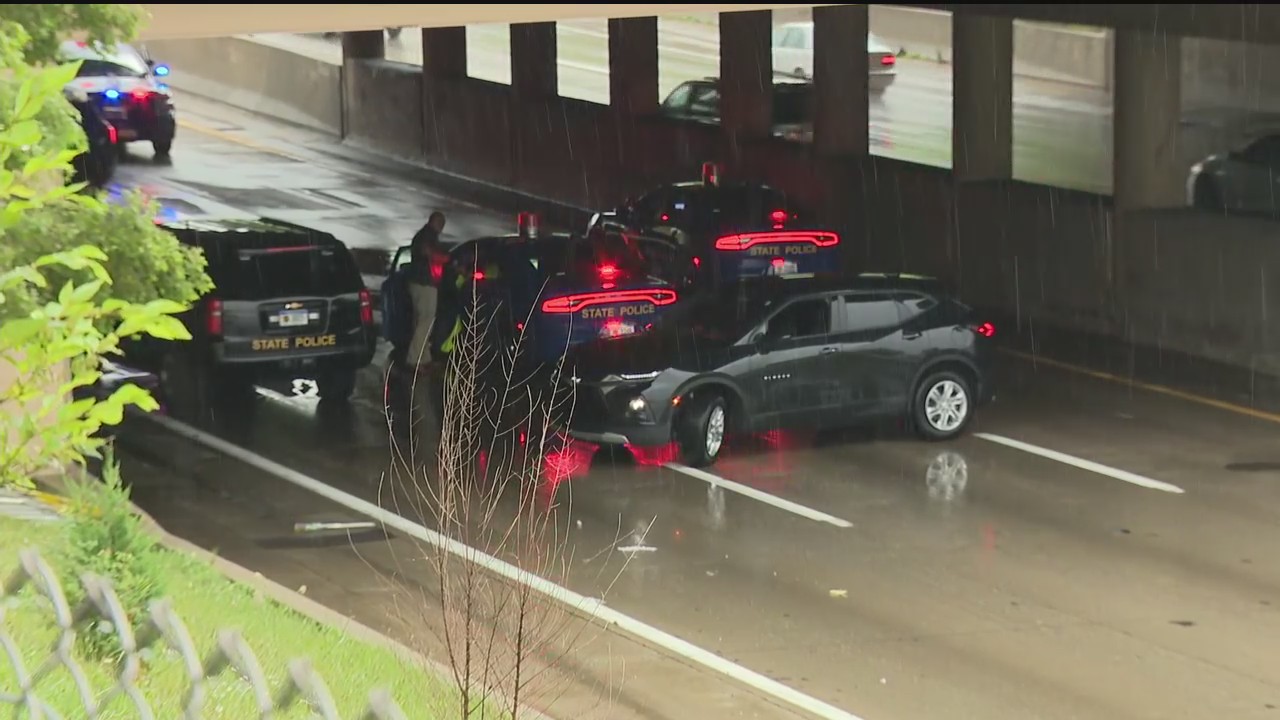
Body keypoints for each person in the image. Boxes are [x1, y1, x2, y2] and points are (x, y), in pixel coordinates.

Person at [405, 211, 447, 369]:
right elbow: (427, 252)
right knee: (425, 321)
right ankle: (414, 359)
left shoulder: (424, 235)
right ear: (435, 222)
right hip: (424, 283)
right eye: (441, 224)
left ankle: (424, 358)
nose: (442, 228)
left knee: (421, 321)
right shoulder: (427, 236)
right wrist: (444, 259)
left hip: (419, 283)